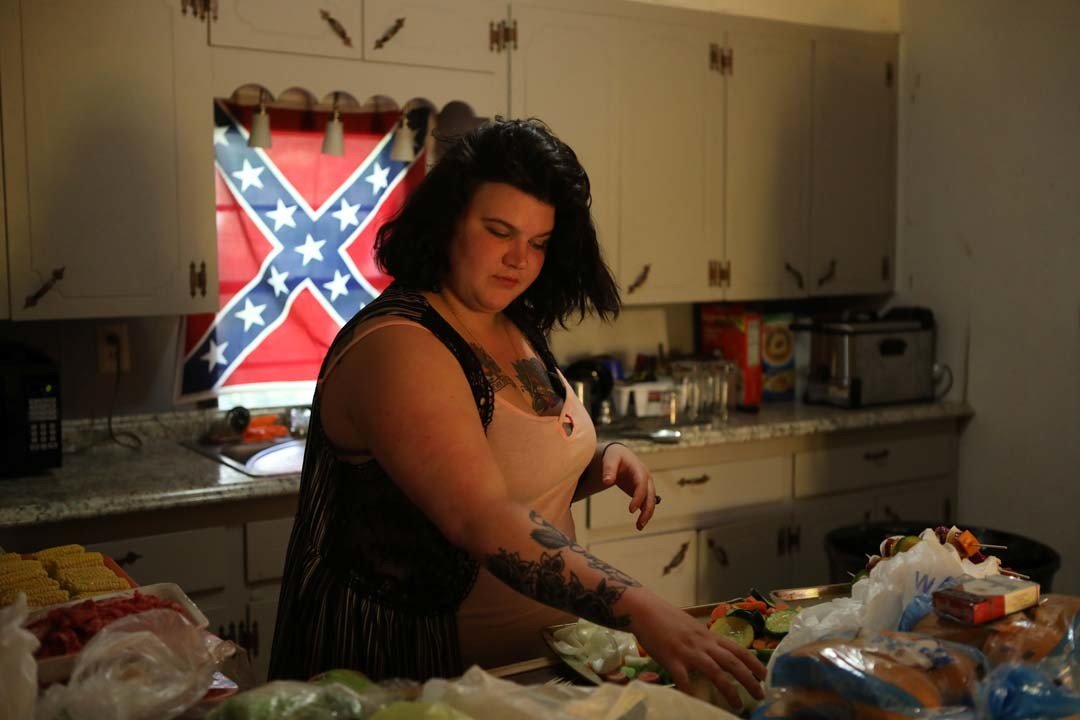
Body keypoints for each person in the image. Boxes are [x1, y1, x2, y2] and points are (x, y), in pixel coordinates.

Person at [268, 118, 765, 708]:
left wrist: (598, 460)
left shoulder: (508, 322)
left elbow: (509, 469)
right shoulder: (400, 345)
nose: (518, 259)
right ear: (447, 222)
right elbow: (481, 516)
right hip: (406, 679)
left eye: (538, 242)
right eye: (499, 231)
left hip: (525, 671)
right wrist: (641, 607)